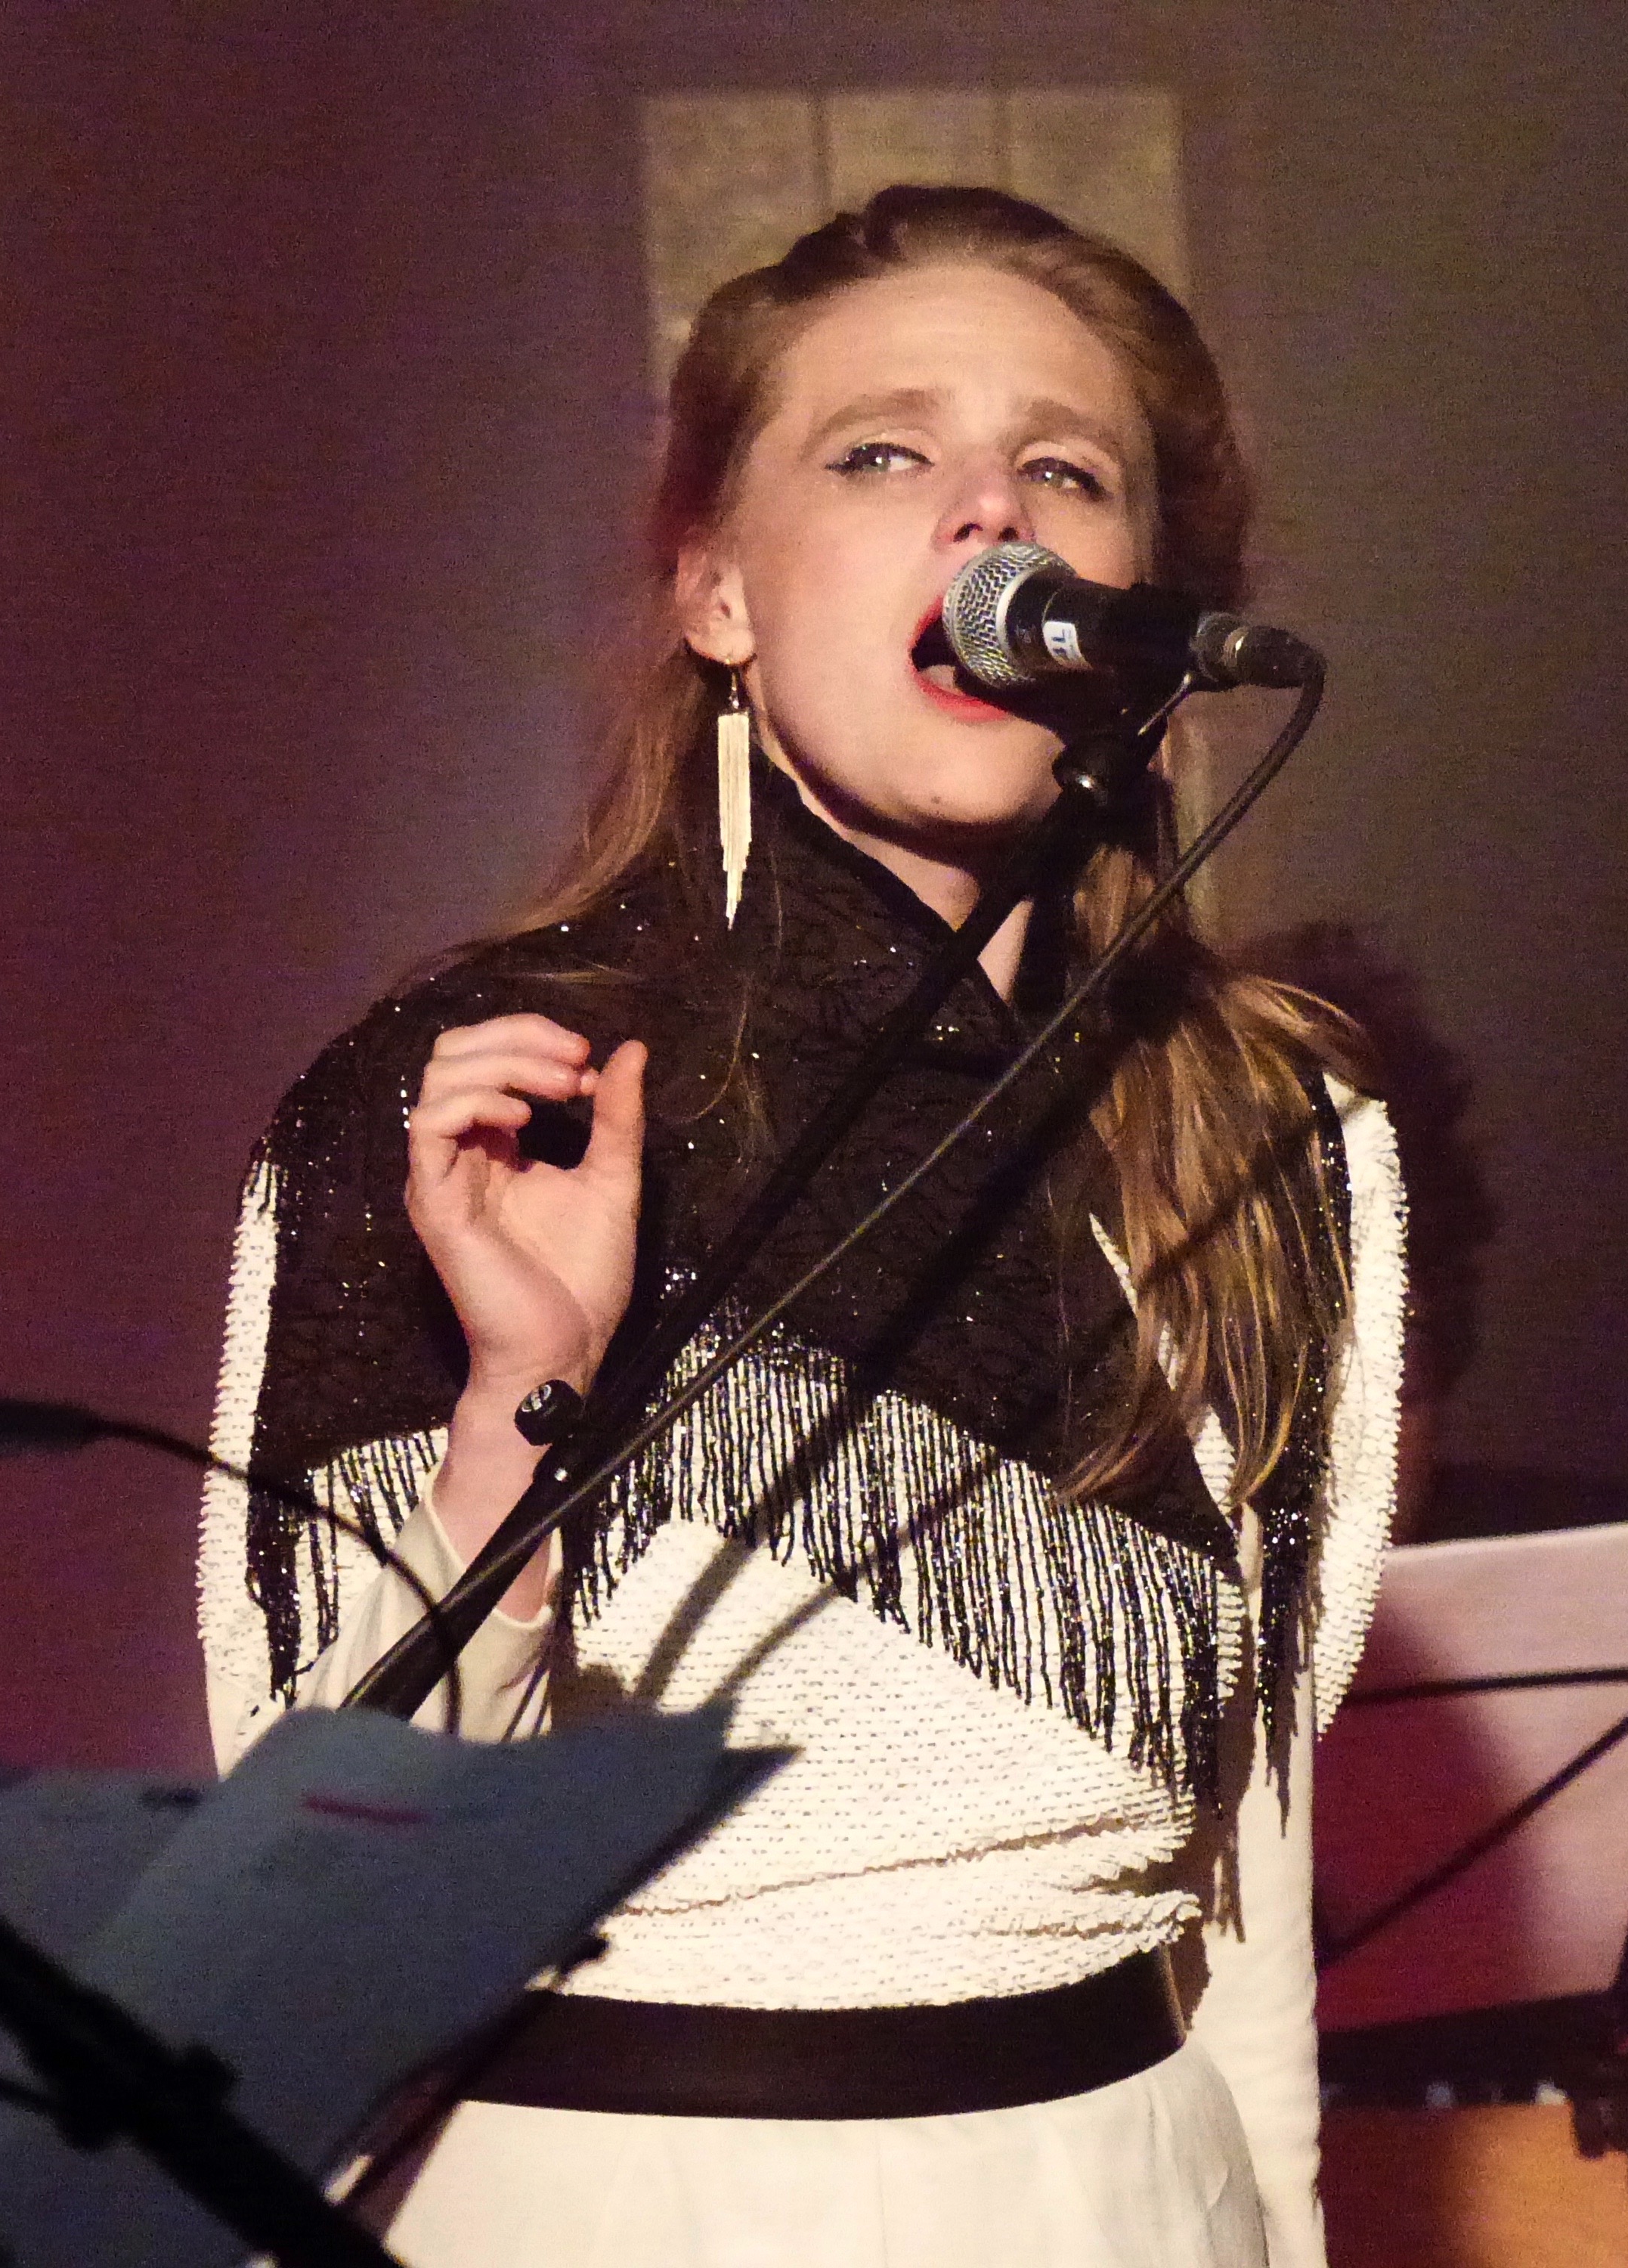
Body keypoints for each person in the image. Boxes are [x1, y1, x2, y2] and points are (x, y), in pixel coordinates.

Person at [195, 184, 1406, 2268]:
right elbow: (322, 1909)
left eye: (1064, 472)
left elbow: (1252, 1878)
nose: (988, 514)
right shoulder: (492, 1086)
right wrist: (522, 1406)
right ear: (719, 591)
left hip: (1120, 2193)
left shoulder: (1270, 1131)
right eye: (882, 453)